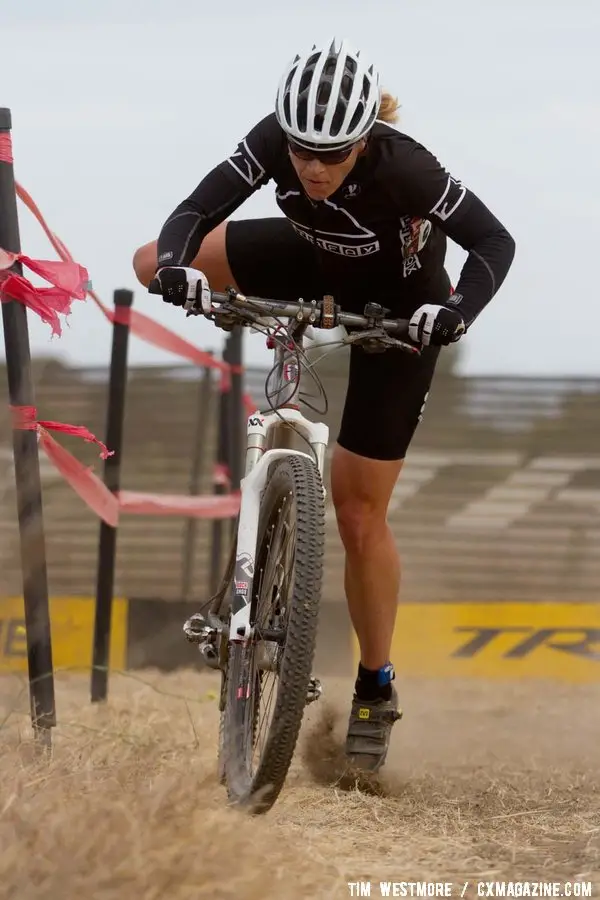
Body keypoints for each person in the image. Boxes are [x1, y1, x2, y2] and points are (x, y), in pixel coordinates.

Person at [132, 36, 516, 774]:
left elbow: (493, 240)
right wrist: (181, 269)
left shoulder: (407, 168)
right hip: (309, 263)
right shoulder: (276, 141)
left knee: (358, 513)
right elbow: (195, 206)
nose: (311, 166)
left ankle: (376, 684)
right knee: (149, 259)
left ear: (364, 138)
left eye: (331, 155)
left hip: (402, 316)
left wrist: (458, 309)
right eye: (302, 150)